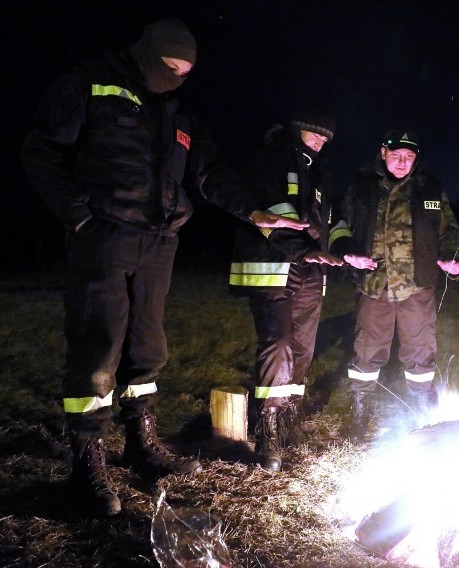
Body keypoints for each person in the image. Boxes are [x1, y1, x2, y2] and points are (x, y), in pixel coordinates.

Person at [20, 19, 301, 516]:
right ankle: (88, 461)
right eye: (169, 67)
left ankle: (140, 443)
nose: (176, 77)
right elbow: (41, 149)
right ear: (147, 54)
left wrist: (253, 211)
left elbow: (210, 173)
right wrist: (79, 216)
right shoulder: (92, 82)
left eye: (186, 72)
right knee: (97, 345)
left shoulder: (180, 111)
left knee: (147, 347)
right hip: (103, 235)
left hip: (160, 241)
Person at [331, 130, 459, 438]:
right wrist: (346, 251)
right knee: (367, 348)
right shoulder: (361, 187)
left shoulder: (429, 188)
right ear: (383, 153)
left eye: (409, 157)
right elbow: (338, 225)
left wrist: (450, 258)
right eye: (396, 156)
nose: (403, 162)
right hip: (373, 283)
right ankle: (360, 408)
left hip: (417, 286)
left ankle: (419, 408)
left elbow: (452, 232)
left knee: (420, 349)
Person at [229, 113, 345, 471]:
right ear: (298, 128)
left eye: (327, 139)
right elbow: (273, 213)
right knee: (279, 341)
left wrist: (344, 246)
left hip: (310, 268)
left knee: (302, 346)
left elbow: (329, 219)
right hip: (272, 265)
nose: (321, 142)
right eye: (316, 134)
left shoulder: (319, 170)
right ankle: (268, 428)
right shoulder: (270, 157)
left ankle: (288, 416)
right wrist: (305, 249)